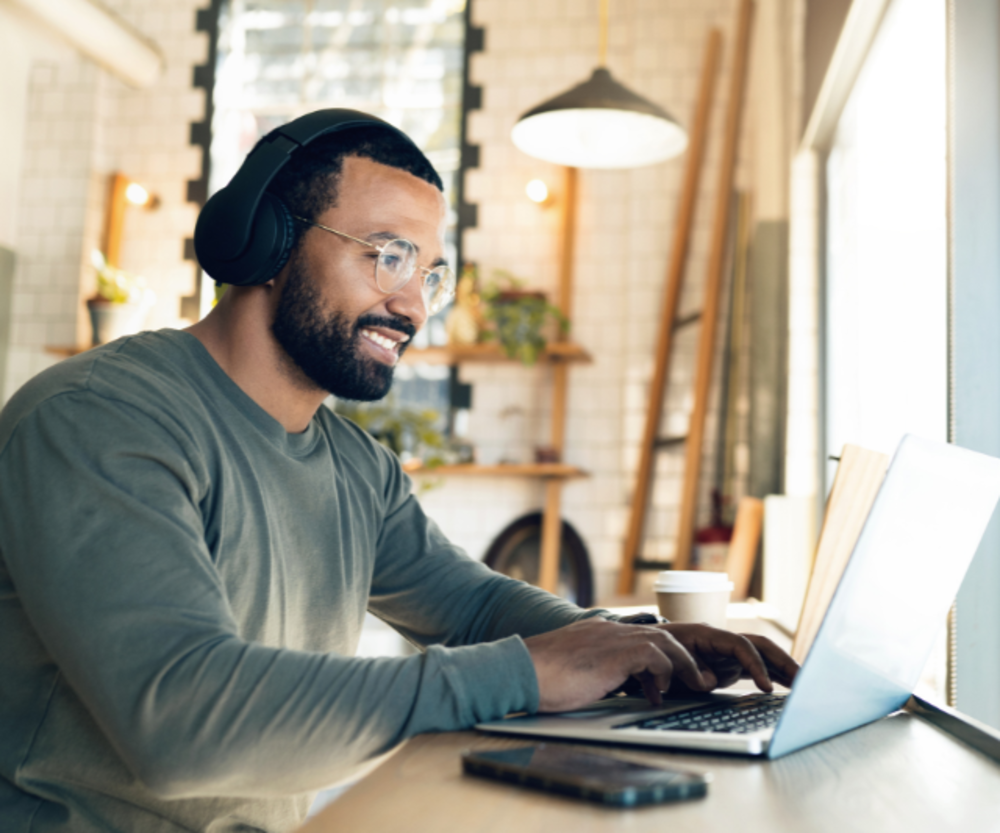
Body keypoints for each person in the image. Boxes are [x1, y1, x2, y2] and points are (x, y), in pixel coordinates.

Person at [0, 110, 798, 833]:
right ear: (266, 242)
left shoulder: (353, 465)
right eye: (389, 256)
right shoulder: (97, 418)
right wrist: (527, 671)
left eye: (431, 274)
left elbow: (474, 602)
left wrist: (633, 644)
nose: (414, 305)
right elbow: (182, 724)